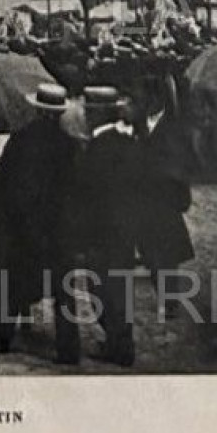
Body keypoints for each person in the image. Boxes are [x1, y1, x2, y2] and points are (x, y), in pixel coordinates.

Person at [0, 83, 83, 359]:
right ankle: (69, 348)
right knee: (63, 289)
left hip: (22, 223)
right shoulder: (70, 145)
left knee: (12, 279)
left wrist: (0, 209)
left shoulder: (21, 139)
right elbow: (77, 187)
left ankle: (0, 336)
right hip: (56, 226)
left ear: (37, 110)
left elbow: (1, 180)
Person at [66, 86, 145, 367]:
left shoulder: (97, 148)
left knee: (102, 288)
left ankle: (118, 343)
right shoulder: (128, 143)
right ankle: (121, 340)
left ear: (96, 113)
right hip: (124, 229)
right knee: (118, 286)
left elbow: (86, 194)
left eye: (88, 109)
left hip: (101, 230)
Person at [132, 75, 198, 314]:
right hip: (144, 196)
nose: (142, 102)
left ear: (157, 99)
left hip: (165, 198)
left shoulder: (174, 127)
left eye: (146, 97)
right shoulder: (138, 123)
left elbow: (182, 163)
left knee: (167, 253)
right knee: (150, 251)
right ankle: (165, 294)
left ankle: (170, 301)